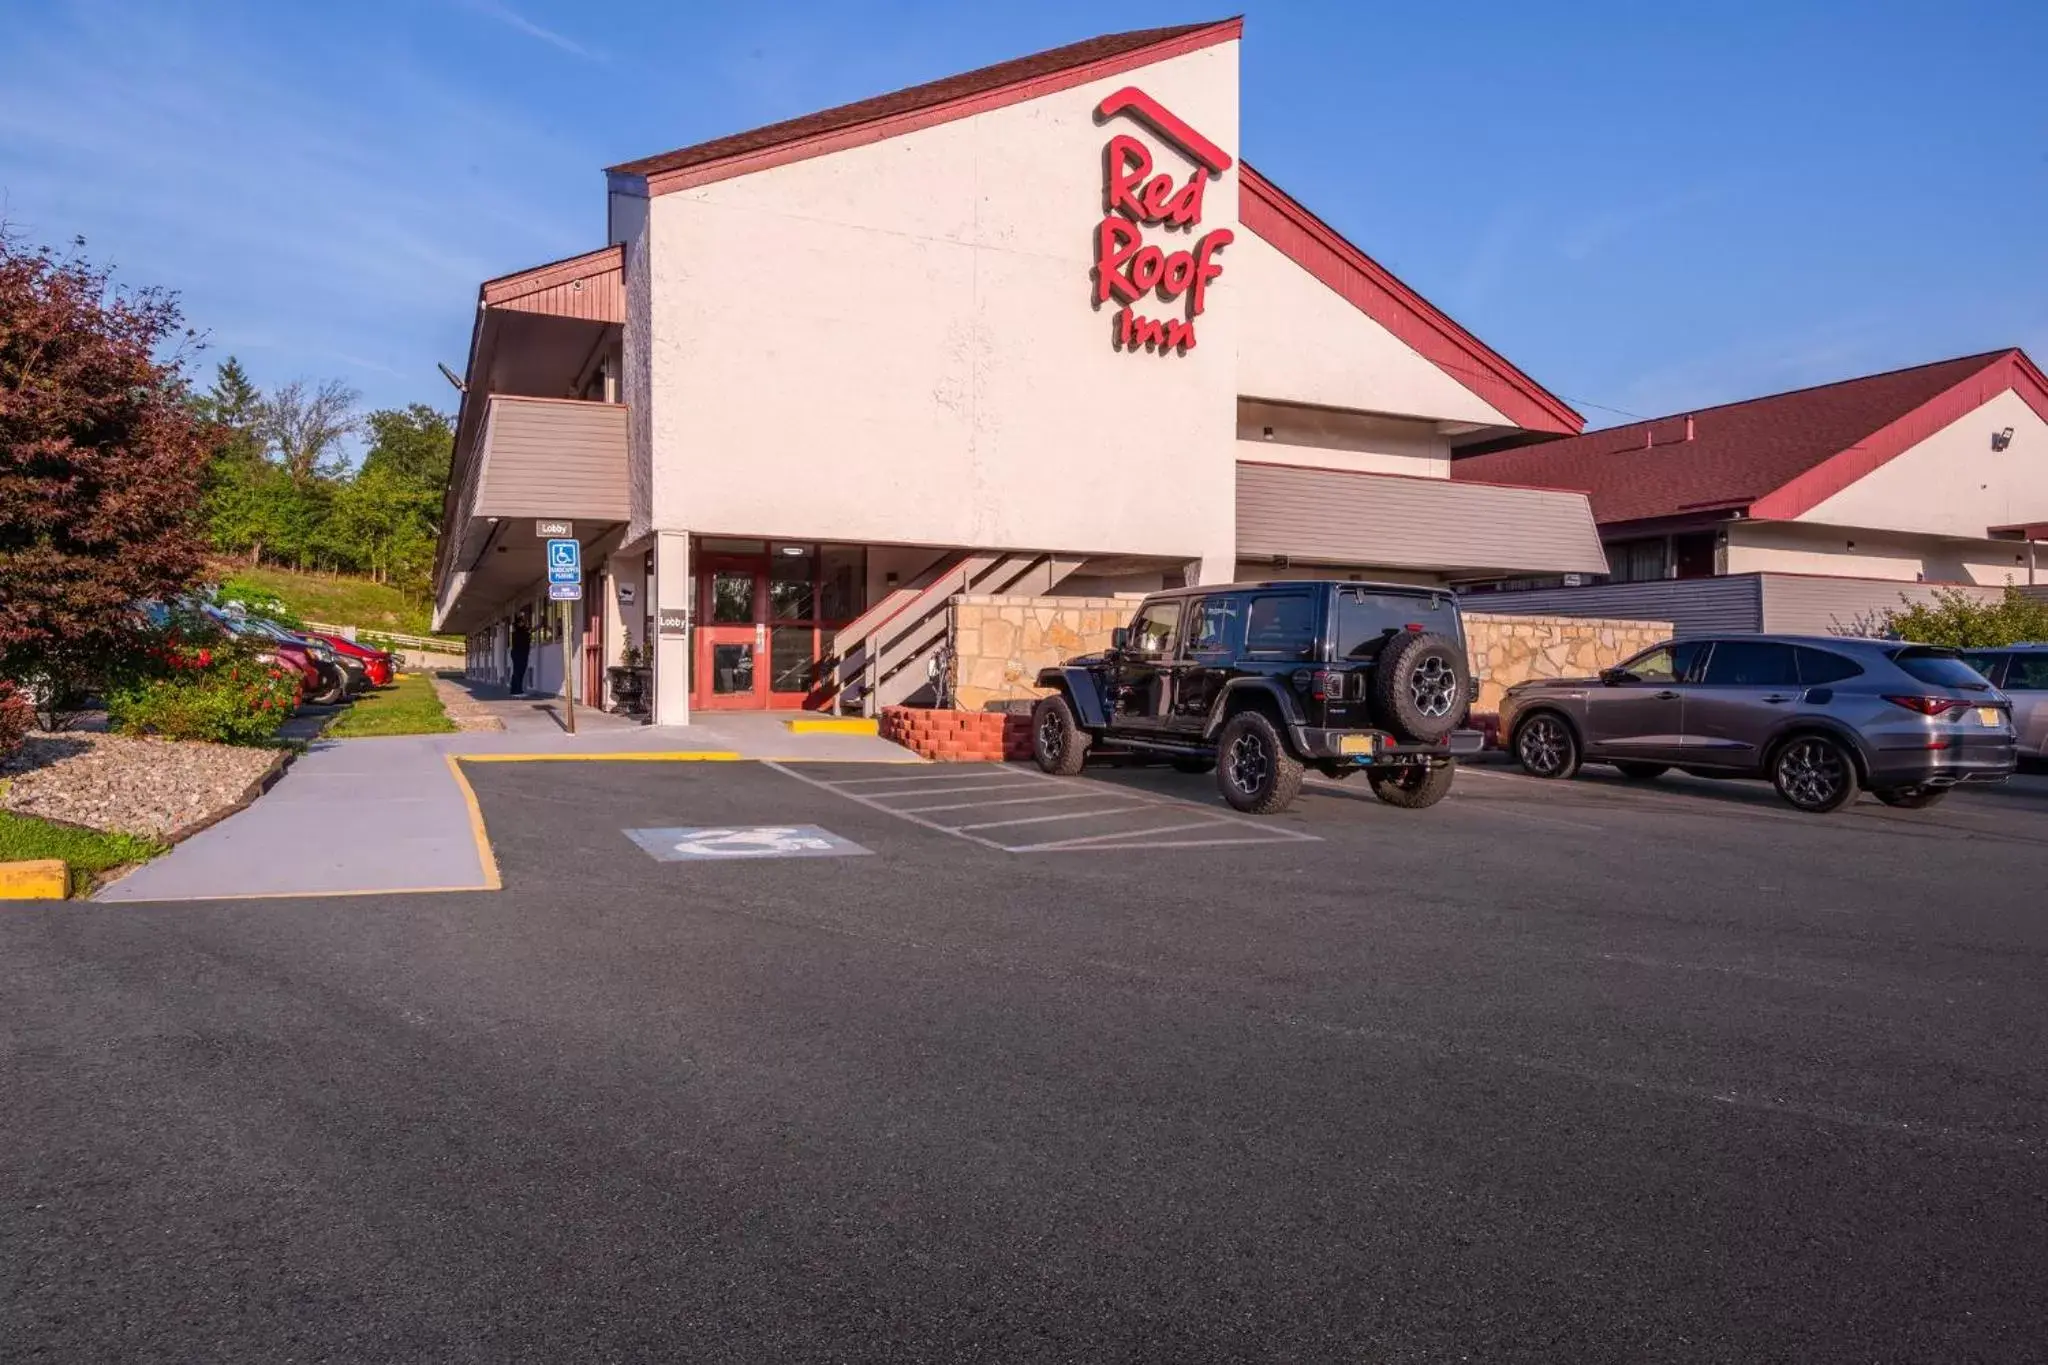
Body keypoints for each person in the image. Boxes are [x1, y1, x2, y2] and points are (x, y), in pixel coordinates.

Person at [508, 613, 532, 697]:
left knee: (519, 672)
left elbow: (529, 632)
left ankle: (514, 690)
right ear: (518, 624)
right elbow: (525, 638)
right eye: (522, 622)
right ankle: (518, 690)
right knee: (518, 672)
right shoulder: (518, 632)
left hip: (521, 653)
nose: (523, 623)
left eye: (523, 622)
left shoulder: (521, 631)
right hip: (519, 653)